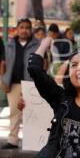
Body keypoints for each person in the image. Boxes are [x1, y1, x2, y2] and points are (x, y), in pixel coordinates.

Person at [0, 18, 40, 149]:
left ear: (31, 30)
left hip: (32, 84)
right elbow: (4, 64)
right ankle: (13, 140)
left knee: (32, 113)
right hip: (13, 84)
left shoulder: (37, 45)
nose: (24, 30)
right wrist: (3, 81)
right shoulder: (9, 45)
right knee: (14, 112)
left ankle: (33, 141)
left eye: (27, 27)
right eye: (21, 27)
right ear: (17, 29)